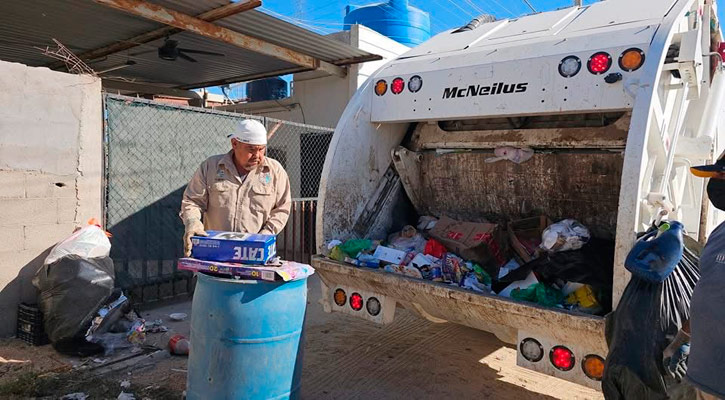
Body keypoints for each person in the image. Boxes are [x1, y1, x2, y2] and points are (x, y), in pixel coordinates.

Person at [179, 119, 291, 256]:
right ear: (235, 143)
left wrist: (264, 236)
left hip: (254, 255)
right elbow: (192, 201)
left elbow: (282, 208)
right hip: (215, 253)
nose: (257, 155)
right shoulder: (210, 167)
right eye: (251, 149)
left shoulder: (275, 172)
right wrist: (193, 221)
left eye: (261, 149)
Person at [662, 158, 725, 400]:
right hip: (704, 380)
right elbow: (709, 292)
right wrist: (682, 339)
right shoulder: (720, 233)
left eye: (721, 176)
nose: (714, 185)